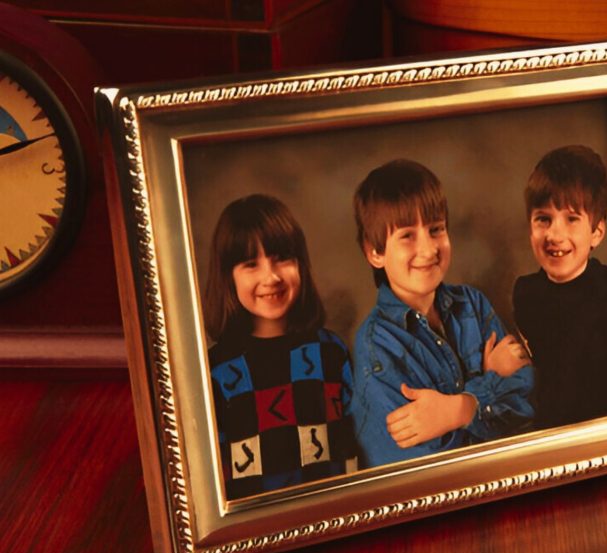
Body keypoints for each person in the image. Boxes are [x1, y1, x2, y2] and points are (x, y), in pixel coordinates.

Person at [350, 159, 534, 468]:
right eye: (407, 235)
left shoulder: (473, 304)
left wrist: (458, 410)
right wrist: (490, 386)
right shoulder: (377, 348)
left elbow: (526, 402)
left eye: (436, 229)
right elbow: (428, 463)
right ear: (375, 252)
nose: (429, 248)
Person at [203, 194, 357, 500]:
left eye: (282, 259)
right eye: (250, 264)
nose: (270, 277)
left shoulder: (330, 352)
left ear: (300, 264)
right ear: (227, 278)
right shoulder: (215, 369)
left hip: (335, 512)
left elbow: (357, 439)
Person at [513, 145, 607, 430]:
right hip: (550, 430)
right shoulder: (525, 292)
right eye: (543, 219)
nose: (555, 235)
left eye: (571, 219)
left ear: (597, 233)